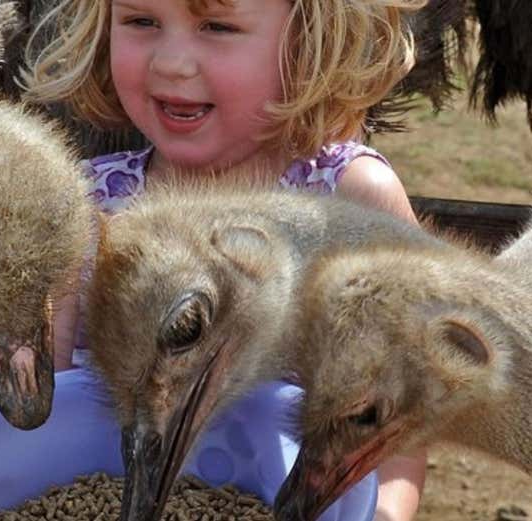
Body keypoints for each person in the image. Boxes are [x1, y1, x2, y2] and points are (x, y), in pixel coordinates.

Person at [23, 1, 427, 520]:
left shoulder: (348, 206)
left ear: (308, 39)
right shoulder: (82, 209)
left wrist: (388, 509)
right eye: (140, 21)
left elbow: (406, 402)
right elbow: (39, 421)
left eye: (218, 26)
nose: (170, 63)